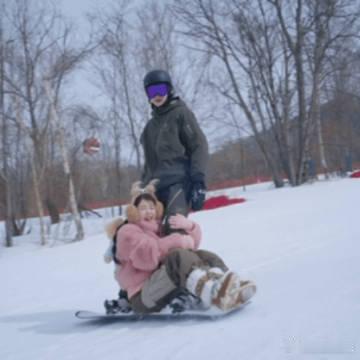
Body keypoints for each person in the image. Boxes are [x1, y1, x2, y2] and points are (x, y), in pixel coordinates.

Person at [106, 180, 256, 314]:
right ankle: (214, 294)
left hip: (161, 286)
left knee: (203, 255)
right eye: (143, 208)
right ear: (134, 211)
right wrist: (176, 240)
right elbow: (148, 258)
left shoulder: (158, 229)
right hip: (143, 297)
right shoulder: (127, 232)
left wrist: (189, 226)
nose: (149, 212)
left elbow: (190, 250)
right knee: (177, 257)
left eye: (151, 207)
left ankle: (226, 285)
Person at [141, 69, 209, 235]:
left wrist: (198, 182)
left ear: (169, 90)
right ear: (147, 94)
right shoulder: (149, 127)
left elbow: (198, 146)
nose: (157, 95)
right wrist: (142, 189)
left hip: (178, 183)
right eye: (152, 91)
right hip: (155, 186)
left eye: (161, 89)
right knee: (146, 231)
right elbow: (149, 162)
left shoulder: (181, 114)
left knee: (175, 226)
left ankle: (185, 260)